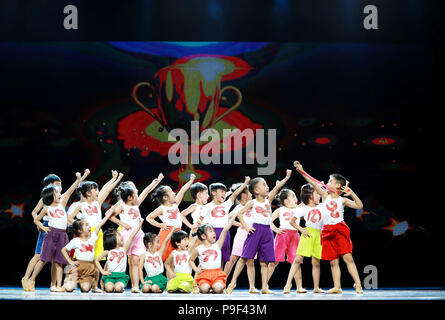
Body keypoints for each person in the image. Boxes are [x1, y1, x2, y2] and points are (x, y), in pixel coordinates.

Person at [294, 161, 364, 294]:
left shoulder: (342, 200)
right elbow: (313, 182)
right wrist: (301, 170)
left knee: (348, 258)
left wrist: (352, 193)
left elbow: (359, 205)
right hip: (327, 231)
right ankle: (337, 287)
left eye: (329, 182)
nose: (327, 183)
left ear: (337, 185)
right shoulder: (325, 196)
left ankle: (358, 284)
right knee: (333, 261)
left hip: (339, 229)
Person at [226, 169, 292, 294]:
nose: (267, 187)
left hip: (267, 232)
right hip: (256, 231)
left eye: (267, 185)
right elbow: (239, 213)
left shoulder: (268, 200)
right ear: (256, 190)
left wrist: (287, 177)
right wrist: (246, 226)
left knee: (264, 262)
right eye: (264, 185)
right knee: (243, 258)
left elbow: (277, 188)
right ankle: (231, 283)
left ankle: (264, 287)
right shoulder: (253, 202)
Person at [27, 169, 90, 292]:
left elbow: (71, 189)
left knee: (59, 261)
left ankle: (56, 285)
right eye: (56, 187)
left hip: (62, 234)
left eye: (59, 186)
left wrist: (81, 178)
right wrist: (43, 227)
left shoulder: (62, 201)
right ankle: (30, 279)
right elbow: (36, 216)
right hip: (51, 233)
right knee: (42, 258)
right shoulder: (47, 206)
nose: (59, 189)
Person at [109, 173, 163, 293]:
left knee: (135, 260)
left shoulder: (136, 203)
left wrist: (156, 182)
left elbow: (145, 192)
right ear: (129, 197)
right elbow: (111, 216)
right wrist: (123, 225)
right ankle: (109, 280)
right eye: (134, 193)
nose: (137, 194)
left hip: (138, 235)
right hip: (126, 235)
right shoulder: (122, 205)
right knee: (120, 259)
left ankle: (135, 286)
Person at [198, 177, 250, 273]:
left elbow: (235, 194)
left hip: (225, 233)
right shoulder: (207, 207)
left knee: (221, 258)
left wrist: (245, 183)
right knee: (209, 256)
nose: (224, 194)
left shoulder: (226, 205)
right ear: (214, 193)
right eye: (221, 191)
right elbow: (199, 221)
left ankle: (219, 279)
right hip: (212, 233)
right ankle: (200, 279)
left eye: (224, 192)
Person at [61, 205, 115, 292]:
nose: (89, 227)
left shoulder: (92, 238)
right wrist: (70, 261)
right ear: (80, 230)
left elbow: (99, 225)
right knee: (69, 288)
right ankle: (69, 281)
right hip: (77, 267)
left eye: (88, 225)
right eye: (86, 225)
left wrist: (107, 216)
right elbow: (63, 250)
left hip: (88, 268)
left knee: (85, 289)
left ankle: (90, 284)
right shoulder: (75, 240)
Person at [22, 174, 62, 291]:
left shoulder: (59, 198)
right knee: (39, 255)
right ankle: (26, 278)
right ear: (50, 186)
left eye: (60, 184)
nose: (60, 187)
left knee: (53, 259)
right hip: (47, 227)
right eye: (57, 184)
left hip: (57, 229)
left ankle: (53, 284)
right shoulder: (46, 199)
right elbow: (34, 212)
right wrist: (38, 224)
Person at [283, 183, 324, 294]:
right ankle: (288, 284)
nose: (319, 196)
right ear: (310, 196)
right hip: (308, 233)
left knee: (316, 262)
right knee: (298, 259)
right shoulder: (303, 209)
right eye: (316, 194)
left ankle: (316, 287)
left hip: (319, 235)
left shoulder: (321, 206)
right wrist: (301, 229)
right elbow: (291, 221)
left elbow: (326, 196)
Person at [146, 174, 195, 264]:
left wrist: (191, 180)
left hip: (178, 232)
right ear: (165, 197)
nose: (174, 193)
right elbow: (149, 217)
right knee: (166, 258)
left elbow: (182, 191)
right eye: (171, 192)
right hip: (167, 233)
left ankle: (173, 277)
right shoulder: (161, 208)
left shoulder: (175, 204)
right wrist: (160, 225)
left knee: (175, 258)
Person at [268, 189, 310, 287]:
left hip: (295, 236)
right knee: (274, 262)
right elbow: (268, 221)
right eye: (293, 196)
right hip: (282, 236)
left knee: (296, 262)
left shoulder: (299, 208)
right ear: (286, 200)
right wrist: (276, 229)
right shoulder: (280, 210)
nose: (296, 199)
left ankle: (299, 287)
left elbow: (309, 200)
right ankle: (264, 284)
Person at [223, 183, 259, 294]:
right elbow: (228, 219)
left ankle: (252, 287)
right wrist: (241, 225)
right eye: (249, 192)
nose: (251, 194)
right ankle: (222, 282)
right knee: (233, 258)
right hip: (241, 234)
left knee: (250, 261)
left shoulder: (254, 205)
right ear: (243, 195)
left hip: (252, 235)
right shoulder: (238, 208)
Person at [189, 214, 237, 294]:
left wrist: (232, 220)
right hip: (204, 274)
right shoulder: (198, 249)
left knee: (218, 288)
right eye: (211, 231)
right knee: (204, 289)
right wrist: (196, 269)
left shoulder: (218, 245)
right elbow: (191, 260)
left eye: (213, 231)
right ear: (203, 236)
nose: (214, 233)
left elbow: (224, 230)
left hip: (217, 274)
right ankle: (208, 287)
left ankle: (216, 287)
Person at [94, 218, 144, 293]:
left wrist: (140, 224)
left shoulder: (124, 249)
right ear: (112, 239)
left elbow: (132, 236)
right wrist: (102, 271)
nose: (122, 237)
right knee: (109, 289)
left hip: (121, 277)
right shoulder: (108, 252)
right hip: (110, 276)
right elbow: (96, 260)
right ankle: (106, 284)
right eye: (119, 235)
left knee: (118, 288)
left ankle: (119, 287)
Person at [138, 229, 175, 293]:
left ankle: (159, 289)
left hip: (159, 279)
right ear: (150, 244)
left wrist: (172, 231)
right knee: (145, 288)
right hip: (149, 279)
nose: (159, 244)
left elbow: (166, 241)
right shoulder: (143, 255)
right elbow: (140, 269)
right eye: (157, 242)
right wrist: (142, 281)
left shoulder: (159, 253)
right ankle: (152, 288)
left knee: (154, 288)